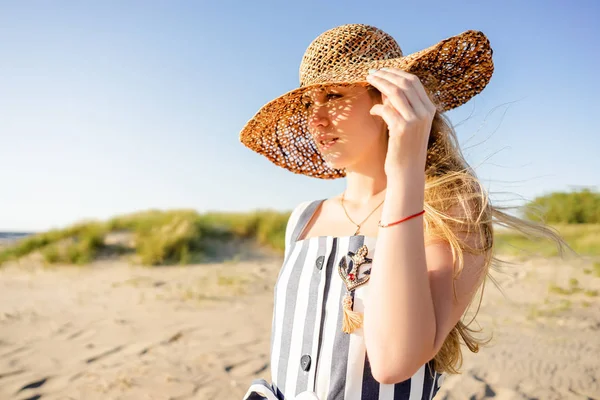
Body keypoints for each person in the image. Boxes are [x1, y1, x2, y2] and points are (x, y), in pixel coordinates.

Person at [238, 24, 564, 400]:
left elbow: (394, 361)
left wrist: (406, 169)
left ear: (390, 99)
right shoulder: (304, 218)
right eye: (311, 102)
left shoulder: (450, 209)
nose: (316, 119)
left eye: (334, 94)